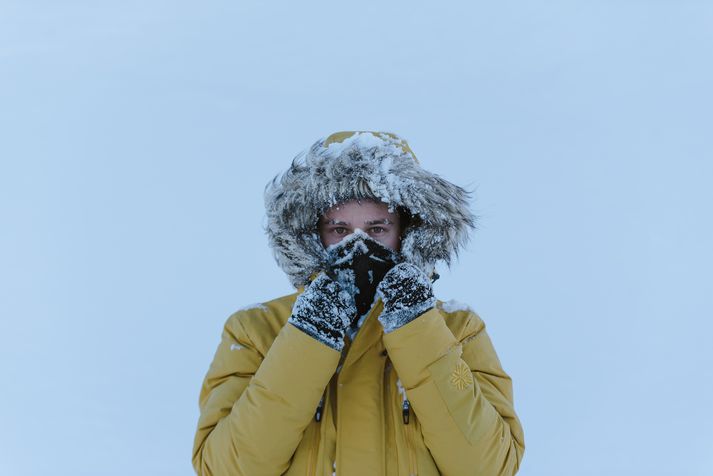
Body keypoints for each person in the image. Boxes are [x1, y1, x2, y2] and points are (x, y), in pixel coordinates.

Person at [192, 131, 525, 475]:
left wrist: (419, 329)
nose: (358, 245)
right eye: (339, 229)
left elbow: (490, 467)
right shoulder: (255, 331)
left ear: (407, 232)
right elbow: (225, 469)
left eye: (378, 228)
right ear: (314, 236)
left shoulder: (458, 329)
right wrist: (306, 339)